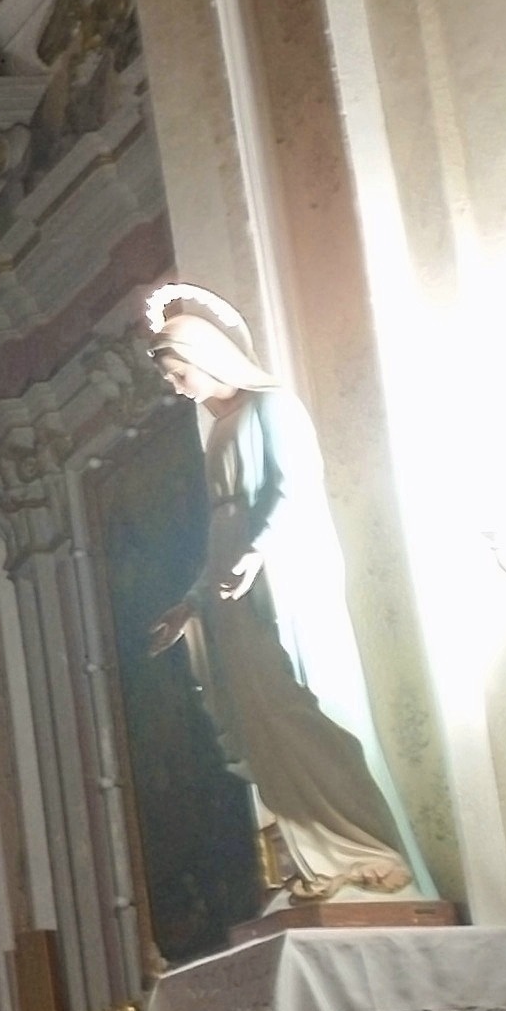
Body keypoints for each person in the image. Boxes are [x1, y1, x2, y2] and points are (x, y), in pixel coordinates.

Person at [142, 284, 427, 905]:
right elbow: (221, 527)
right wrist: (191, 600)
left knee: (308, 705)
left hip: (283, 578)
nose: (176, 385)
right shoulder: (218, 433)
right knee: (264, 720)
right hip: (235, 591)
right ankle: (322, 855)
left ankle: (371, 851)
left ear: (208, 357)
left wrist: (260, 548)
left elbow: (296, 487)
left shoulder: (273, 408)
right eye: (170, 376)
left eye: (178, 371)